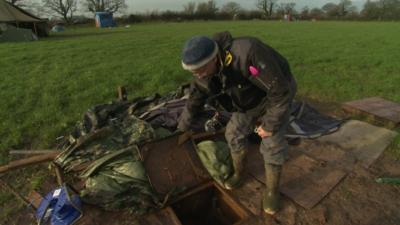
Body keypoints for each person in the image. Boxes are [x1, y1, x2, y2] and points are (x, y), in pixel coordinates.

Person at [177, 31, 297, 215]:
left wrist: (270, 125)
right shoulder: (202, 74)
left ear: (215, 57)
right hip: (245, 101)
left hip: (274, 95)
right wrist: (182, 130)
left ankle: (272, 191)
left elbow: (280, 91)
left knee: (272, 143)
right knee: (233, 133)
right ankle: (239, 173)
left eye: (201, 69)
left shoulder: (248, 52)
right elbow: (194, 100)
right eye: (194, 72)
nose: (199, 75)